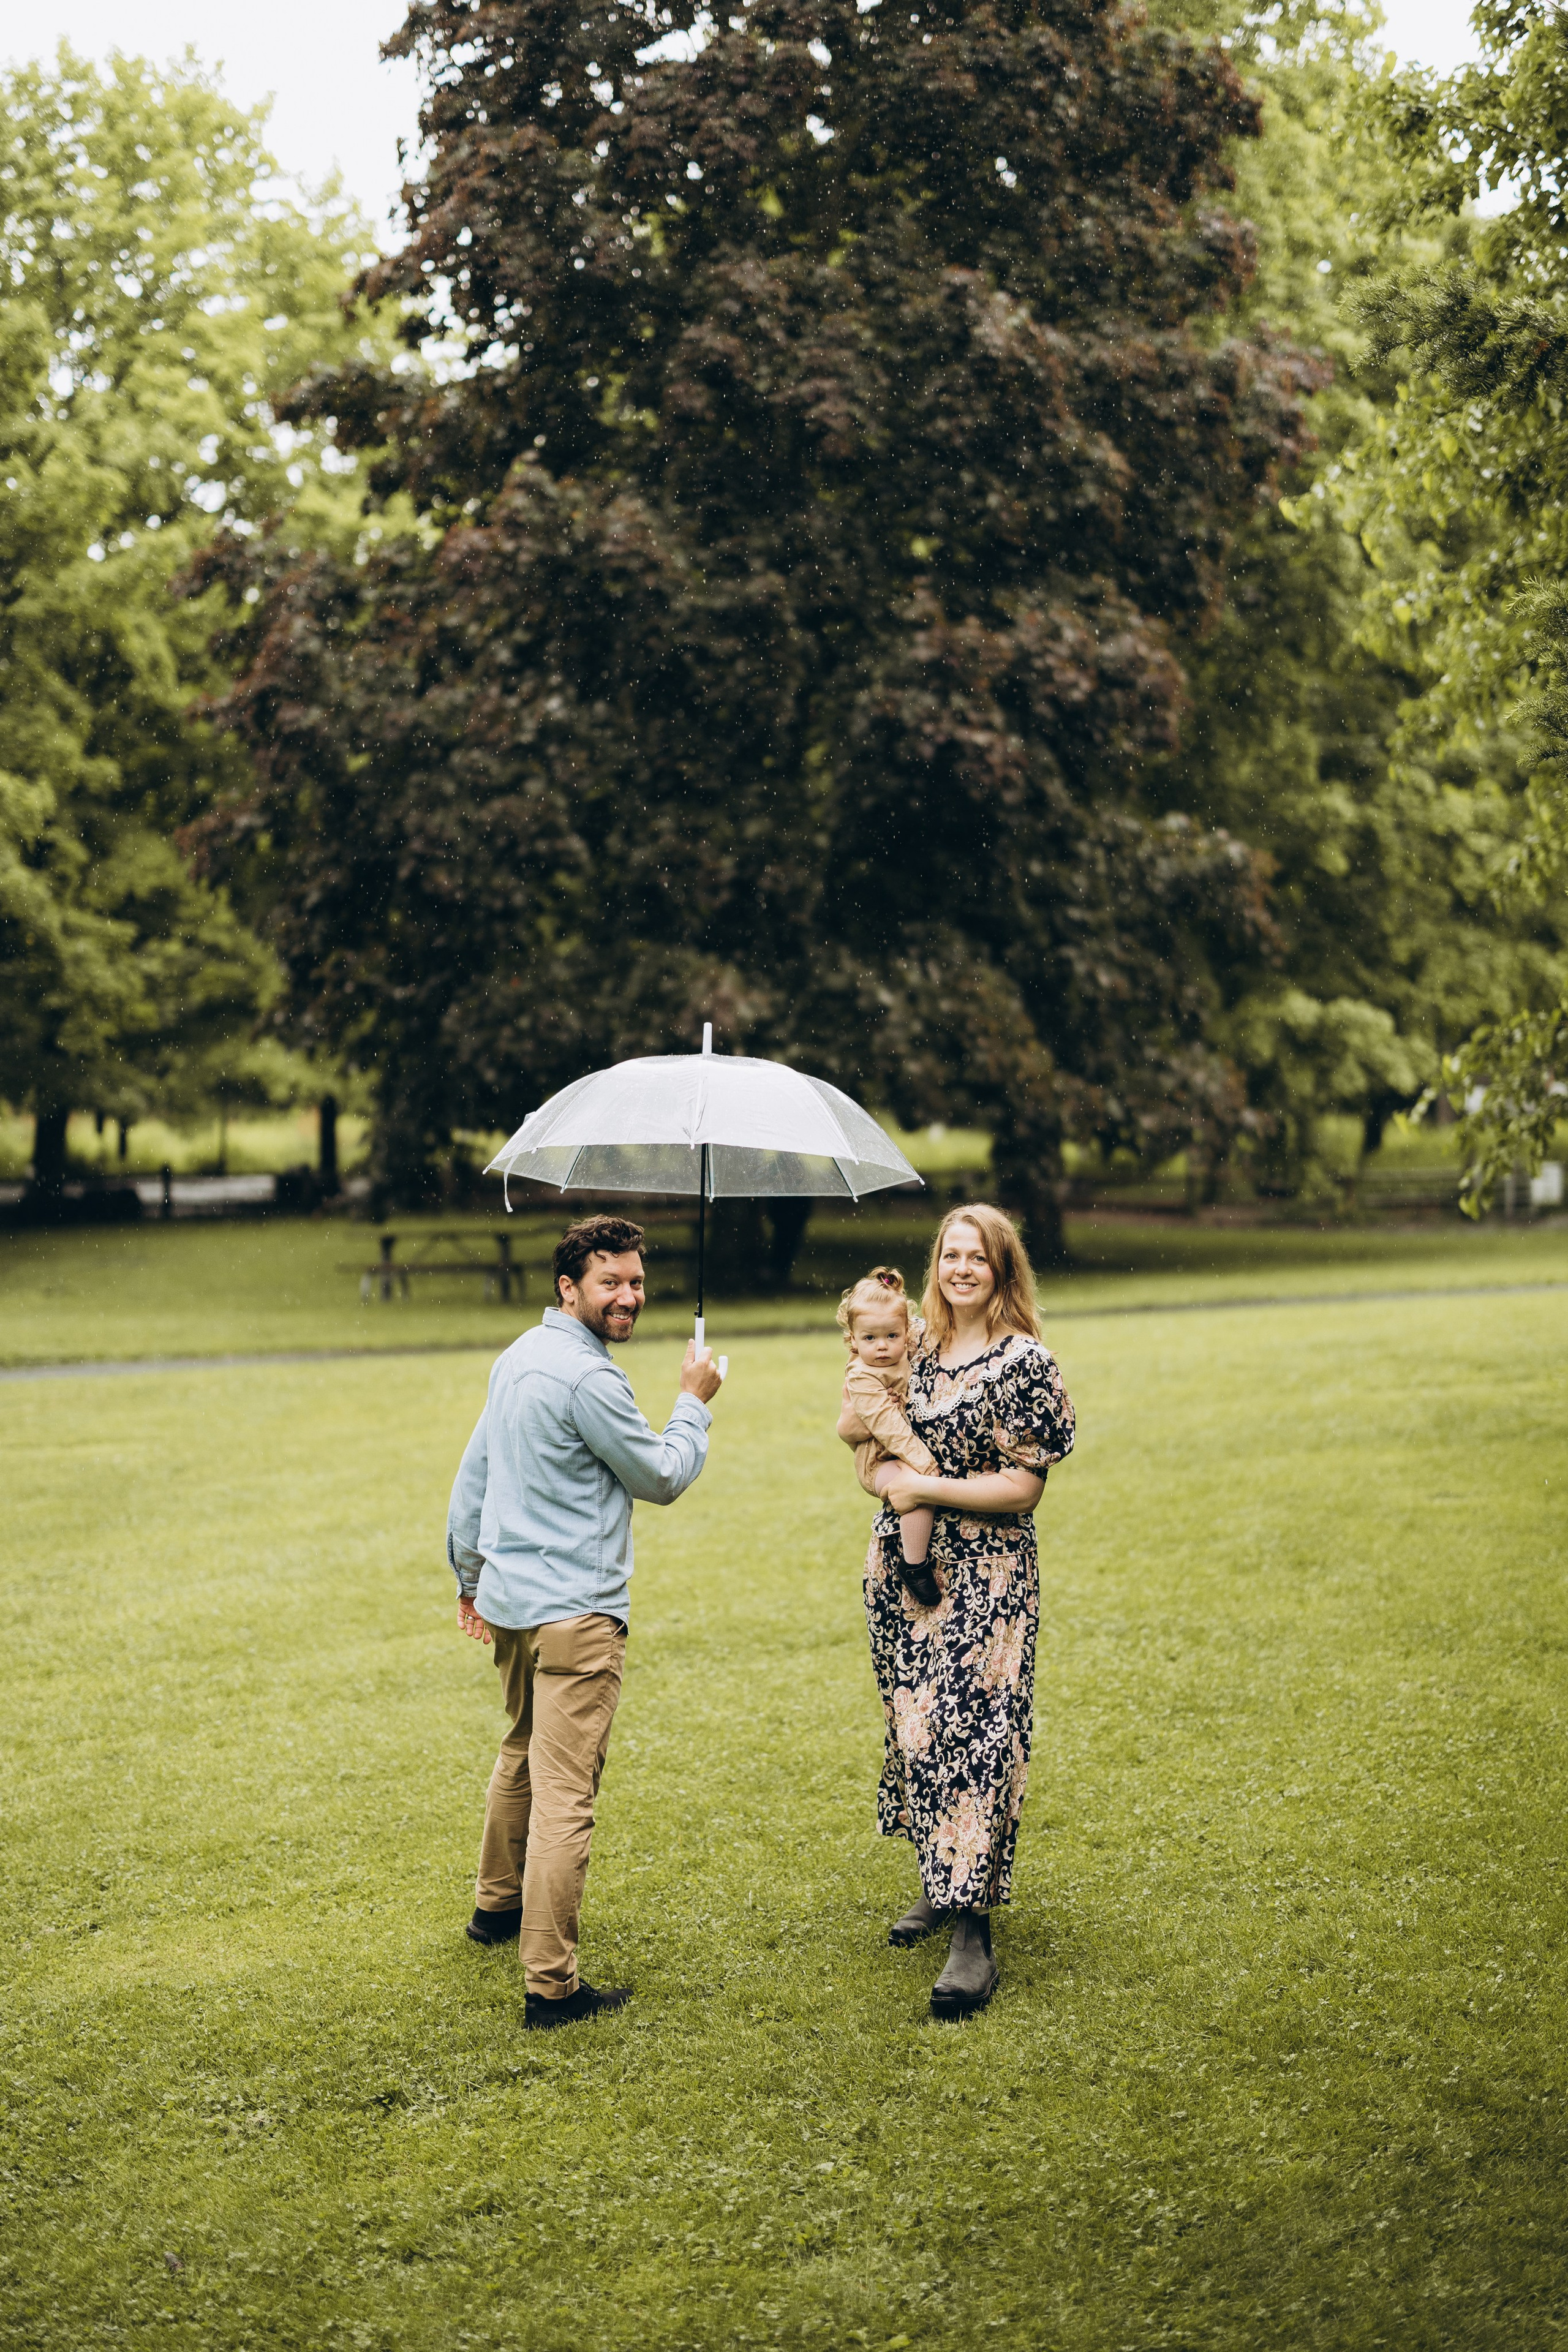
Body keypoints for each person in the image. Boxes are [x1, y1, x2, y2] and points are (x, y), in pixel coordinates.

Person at [447, 1212, 723, 2029]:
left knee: (521, 1749)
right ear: (569, 1287)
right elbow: (661, 1476)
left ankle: (496, 1908)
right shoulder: (590, 1380)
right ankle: (551, 1988)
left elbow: (472, 1478)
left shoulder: (517, 1357)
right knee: (566, 1795)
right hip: (576, 1615)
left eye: (636, 1281)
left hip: (512, 1607)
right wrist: (693, 1402)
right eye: (610, 1282)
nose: (627, 1296)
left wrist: (469, 1579)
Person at [839, 1202, 1074, 2021]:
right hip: (902, 1573)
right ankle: (940, 1884)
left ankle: (973, 1934)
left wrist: (925, 1487)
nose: (962, 1268)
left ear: (1003, 1268)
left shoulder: (1023, 1362)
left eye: (978, 1256)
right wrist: (888, 1478)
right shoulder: (917, 1350)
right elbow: (861, 1436)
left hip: (988, 1576)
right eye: (950, 1255)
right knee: (917, 1728)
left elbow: (1024, 1487)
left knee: (976, 1733)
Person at [834, 1267, 940, 1607]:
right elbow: (887, 1427)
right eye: (870, 1339)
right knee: (919, 1489)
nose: (882, 1346)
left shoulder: (905, 1350)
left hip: (902, 1451)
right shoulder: (862, 1376)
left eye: (891, 1336)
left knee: (921, 1484)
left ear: (907, 1333)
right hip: (878, 1462)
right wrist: (925, 1464)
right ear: (853, 1340)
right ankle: (914, 1564)